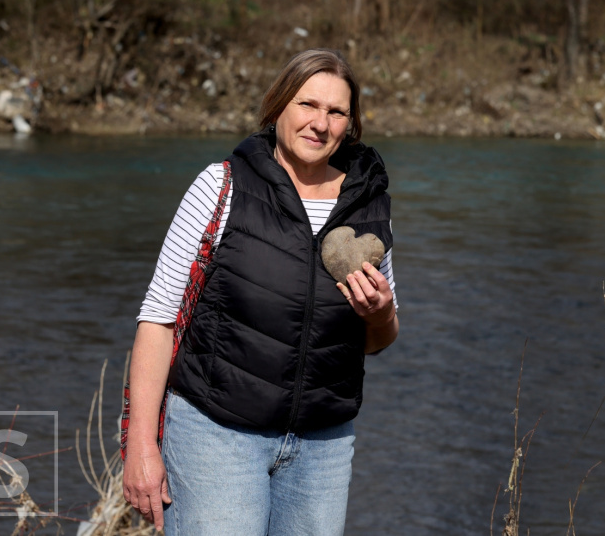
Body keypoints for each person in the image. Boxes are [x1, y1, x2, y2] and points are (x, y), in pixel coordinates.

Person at [122, 48, 399, 536]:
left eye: (337, 112)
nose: (321, 123)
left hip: (324, 444)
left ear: (350, 123)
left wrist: (379, 312)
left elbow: (377, 339)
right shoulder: (221, 186)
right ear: (278, 108)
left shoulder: (368, 203)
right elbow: (159, 319)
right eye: (307, 105)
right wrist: (141, 446)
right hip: (217, 435)